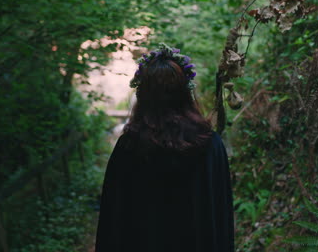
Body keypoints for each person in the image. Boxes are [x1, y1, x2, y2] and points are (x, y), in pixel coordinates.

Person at [95, 43, 235, 252]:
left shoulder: (129, 146)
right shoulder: (210, 144)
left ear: (143, 95)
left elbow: (113, 220)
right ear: (185, 93)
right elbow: (221, 216)